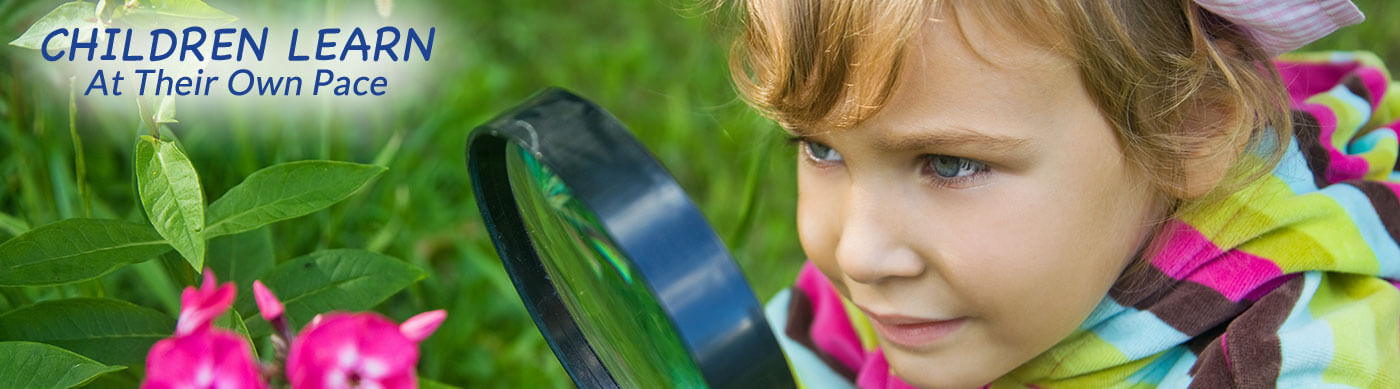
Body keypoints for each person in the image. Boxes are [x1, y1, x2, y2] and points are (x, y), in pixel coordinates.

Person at [727, 0, 1400, 387]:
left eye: (950, 164)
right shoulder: (909, 297)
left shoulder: (1281, 360)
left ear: (1186, 130)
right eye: (822, 149)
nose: (859, 252)